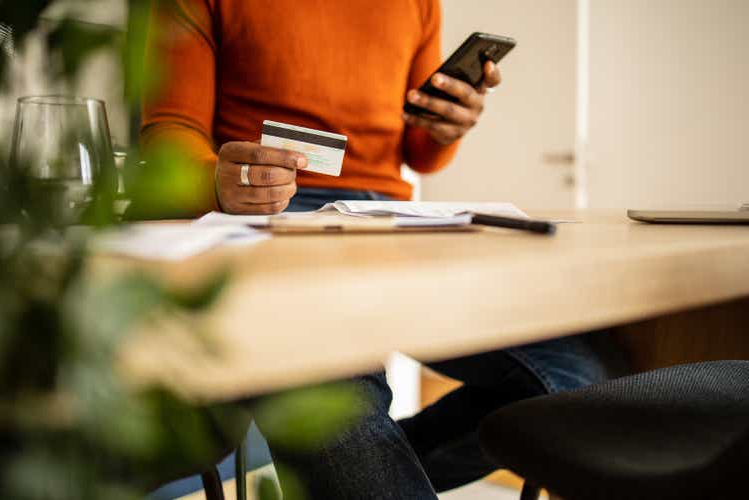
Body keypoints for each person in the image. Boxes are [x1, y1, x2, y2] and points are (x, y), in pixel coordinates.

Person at [141, 1, 626, 498]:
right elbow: (169, 128)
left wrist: (446, 127)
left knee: (580, 378)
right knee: (341, 394)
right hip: (273, 212)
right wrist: (218, 181)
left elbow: (417, 149)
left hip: (389, 220)